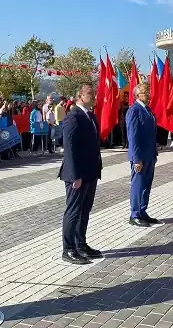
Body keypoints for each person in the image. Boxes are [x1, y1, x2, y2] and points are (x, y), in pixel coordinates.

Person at [58, 83, 103, 265]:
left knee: (85, 210)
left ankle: (81, 244)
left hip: (90, 172)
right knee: (74, 211)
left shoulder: (90, 116)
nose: (94, 97)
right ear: (80, 96)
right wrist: (75, 175)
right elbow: (68, 148)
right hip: (77, 174)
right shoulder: (73, 116)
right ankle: (68, 249)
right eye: (90, 94)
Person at [126, 83, 159, 227]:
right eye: (147, 92)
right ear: (138, 95)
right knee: (138, 185)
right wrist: (136, 159)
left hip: (149, 154)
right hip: (140, 157)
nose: (150, 94)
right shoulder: (134, 110)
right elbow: (133, 136)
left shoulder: (148, 110)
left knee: (146, 185)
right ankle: (134, 214)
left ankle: (142, 211)